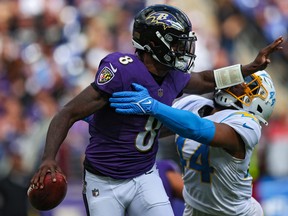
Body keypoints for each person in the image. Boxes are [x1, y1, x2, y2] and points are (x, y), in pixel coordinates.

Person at [30, 4, 283, 216]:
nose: (183, 50)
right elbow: (67, 112)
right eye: (176, 43)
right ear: (154, 43)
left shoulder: (174, 76)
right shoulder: (123, 70)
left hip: (144, 175)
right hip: (104, 179)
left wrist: (249, 67)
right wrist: (48, 157)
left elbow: (206, 80)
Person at [109, 70, 276, 215]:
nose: (237, 83)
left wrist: (153, 105)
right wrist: (104, 123)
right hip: (194, 210)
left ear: (258, 104)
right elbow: (150, 131)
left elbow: (198, 129)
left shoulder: (247, 124)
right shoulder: (194, 104)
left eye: (248, 87)